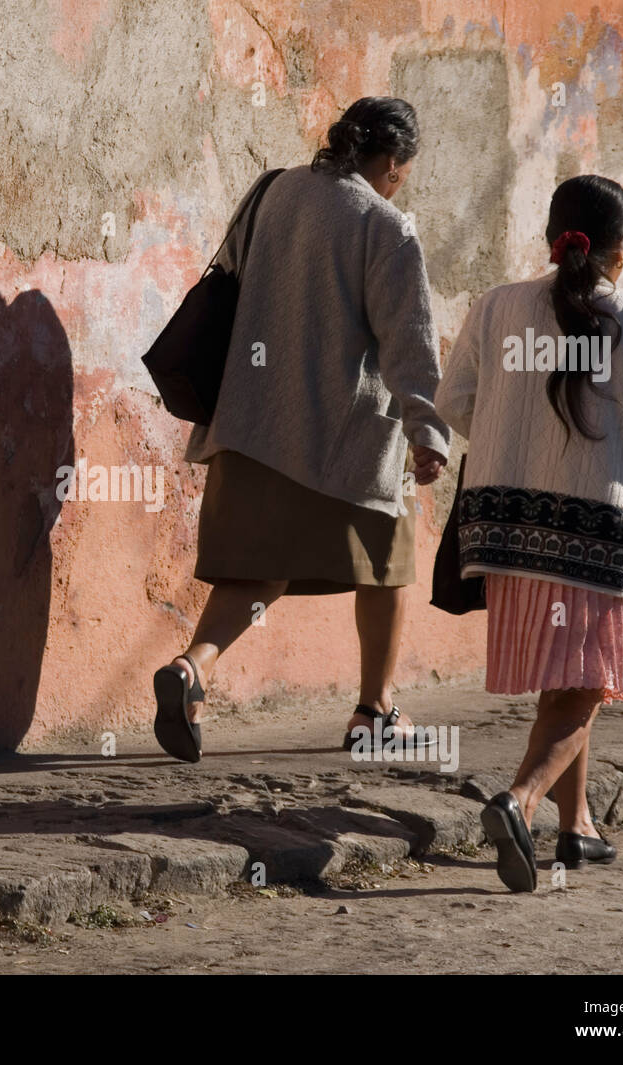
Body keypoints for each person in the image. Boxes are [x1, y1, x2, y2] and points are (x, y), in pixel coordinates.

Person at [435, 174, 623, 892]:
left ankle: (577, 829)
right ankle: (520, 799)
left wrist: (518, 439)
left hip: (508, 533)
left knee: (567, 680)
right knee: (590, 681)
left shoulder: (497, 307)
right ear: (621, 251)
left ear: (552, 237)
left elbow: (456, 402)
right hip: (602, 536)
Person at [152, 96, 451, 763]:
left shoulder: (270, 191)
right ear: (394, 162)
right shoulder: (386, 225)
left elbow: (226, 276)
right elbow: (408, 338)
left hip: (250, 421)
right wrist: (427, 429)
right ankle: (375, 710)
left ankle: (190, 669)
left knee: (256, 572)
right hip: (342, 438)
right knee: (388, 564)